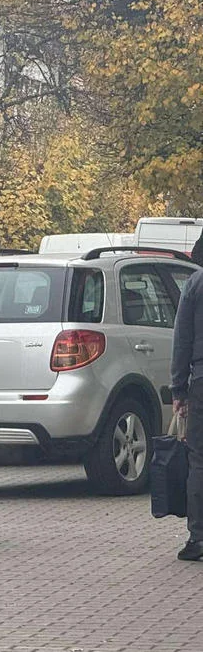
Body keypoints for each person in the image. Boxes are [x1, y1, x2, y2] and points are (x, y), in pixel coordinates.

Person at [170, 233, 203, 560]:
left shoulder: (194, 285)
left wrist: (179, 389)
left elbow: (182, 340)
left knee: (199, 460)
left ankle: (199, 538)